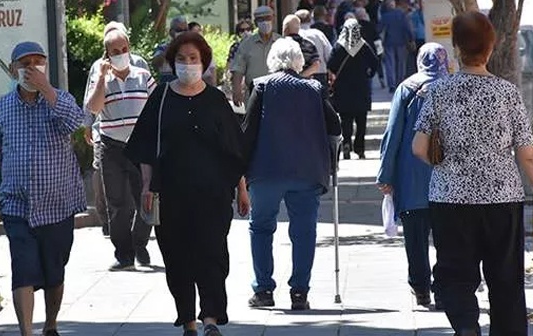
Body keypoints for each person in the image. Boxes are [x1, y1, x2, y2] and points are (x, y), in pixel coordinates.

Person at [412, 12, 533, 336]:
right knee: (506, 280)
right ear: (490, 48)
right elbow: (528, 154)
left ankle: (466, 326)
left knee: (454, 277)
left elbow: (418, 148)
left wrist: (447, 167)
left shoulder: (439, 91)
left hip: (450, 200)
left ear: (456, 48)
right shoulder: (506, 93)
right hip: (501, 201)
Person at [125, 32, 248, 336]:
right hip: (171, 193)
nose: (188, 64)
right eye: (181, 59)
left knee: (212, 253)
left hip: (213, 194)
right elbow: (145, 146)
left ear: (203, 62)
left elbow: (234, 150)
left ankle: (210, 318)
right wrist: (146, 186)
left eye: (193, 59)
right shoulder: (162, 98)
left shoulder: (216, 100)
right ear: (172, 63)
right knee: (177, 257)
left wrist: (242, 189)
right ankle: (188, 321)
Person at [0, 41, 86, 336]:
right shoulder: (2, 107)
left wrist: (46, 90)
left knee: (54, 271)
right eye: (24, 63)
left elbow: (74, 122)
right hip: (16, 204)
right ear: (13, 68)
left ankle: (51, 324)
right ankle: (26, 332)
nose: (31, 68)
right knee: (23, 269)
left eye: (37, 62)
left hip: (57, 204)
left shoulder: (61, 100)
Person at [242, 37, 341, 311]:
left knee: (261, 227)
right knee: (304, 232)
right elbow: (334, 126)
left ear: (272, 61)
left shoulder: (261, 86)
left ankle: (263, 290)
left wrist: (239, 170)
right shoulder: (314, 89)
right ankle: (299, 292)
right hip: (307, 172)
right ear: (299, 62)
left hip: (266, 170)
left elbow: (247, 132)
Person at [377, 42, 449, 309]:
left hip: (413, 178)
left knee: (415, 239)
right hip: (449, 179)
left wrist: (385, 174)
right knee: (448, 238)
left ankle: (420, 289)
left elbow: (393, 134)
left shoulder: (406, 88)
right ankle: (445, 289)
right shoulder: (454, 86)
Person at [85, 29, 157, 271]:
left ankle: (140, 243)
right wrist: (102, 79)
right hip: (111, 146)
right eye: (114, 52)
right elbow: (94, 108)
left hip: (140, 147)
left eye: (123, 49)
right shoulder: (101, 79)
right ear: (107, 54)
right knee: (117, 203)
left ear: (130, 48)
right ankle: (123, 253)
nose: (120, 54)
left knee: (145, 200)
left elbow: (157, 107)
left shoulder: (143, 75)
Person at [328, 18, 379, 160]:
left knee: (346, 120)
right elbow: (374, 62)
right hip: (361, 88)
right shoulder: (363, 46)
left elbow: (331, 65)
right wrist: (369, 74)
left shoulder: (339, 46)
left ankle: (346, 144)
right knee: (361, 121)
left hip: (343, 89)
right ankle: (360, 149)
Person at [230, 6, 281, 107]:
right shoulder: (246, 44)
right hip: (254, 95)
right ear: (256, 22)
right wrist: (236, 91)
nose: (265, 22)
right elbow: (238, 69)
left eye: (268, 18)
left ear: (273, 19)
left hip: (278, 94)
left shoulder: (281, 42)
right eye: (261, 19)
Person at [296, 9, 333, 92]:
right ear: (310, 20)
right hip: (319, 76)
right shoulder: (318, 34)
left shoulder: (295, 35)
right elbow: (329, 54)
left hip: (299, 76)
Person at [381, 0, 413, 92]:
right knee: (401, 63)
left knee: (389, 63)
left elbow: (379, 29)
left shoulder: (385, 16)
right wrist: (411, 39)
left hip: (388, 42)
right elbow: (407, 27)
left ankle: (391, 84)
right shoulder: (402, 15)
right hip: (401, 41)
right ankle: (400, 82)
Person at [153, 16, 189, 84]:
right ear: (171, 32)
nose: (183, 33)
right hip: (168, 81)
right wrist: (170, 48)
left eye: (185, 30)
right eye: (179, 30)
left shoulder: (193, 48)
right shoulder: (163, 47)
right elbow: (155, 64)